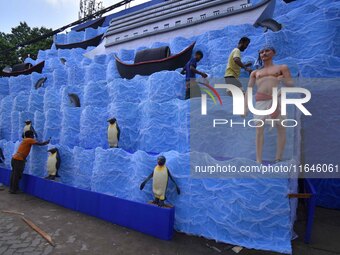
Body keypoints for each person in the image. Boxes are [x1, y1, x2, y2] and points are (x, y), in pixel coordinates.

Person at [244, 45, 293, 163]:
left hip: (277, 99)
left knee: (281, 128)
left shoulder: (282, 68)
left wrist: (283, 80)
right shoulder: (255, 73)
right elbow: (249, 89)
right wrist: (244, 107)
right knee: (258, 130)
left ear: (273, 53)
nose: (264, 53)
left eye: (267, 51)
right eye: (261, 52)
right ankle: (258, 160)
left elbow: (291, 84)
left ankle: (278, 158)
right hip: (261, 101)